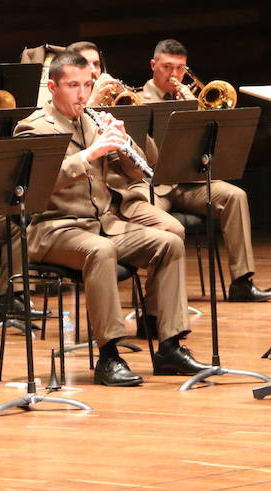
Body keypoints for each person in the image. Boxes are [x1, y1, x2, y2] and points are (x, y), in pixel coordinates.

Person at [15, 51, 204, 386]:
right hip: (54, 229)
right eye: (73, 85)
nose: (82, 94)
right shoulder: (32, 127)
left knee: (169, 241)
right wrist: (91, 153)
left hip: (104, 224)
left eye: (87, 85)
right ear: (52, 86)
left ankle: (170, 345)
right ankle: (109, 355)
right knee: (101, 252)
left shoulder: (93, 120)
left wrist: (123, 143)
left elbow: (138, 173)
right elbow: (36, 185)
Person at [138, 38, 271, 302]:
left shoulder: (192, 98)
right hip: (154, 186)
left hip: (190, 183)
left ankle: (242, 282)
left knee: (235, 196)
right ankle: (158, 296)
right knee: (148, 214)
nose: (174, 75)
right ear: (153, 65)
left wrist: (195, 112)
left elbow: (208, 148)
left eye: (180, 69)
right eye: (167, 67)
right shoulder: (136, 101)